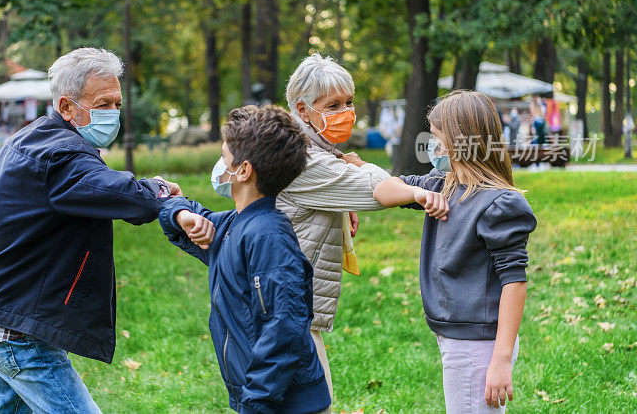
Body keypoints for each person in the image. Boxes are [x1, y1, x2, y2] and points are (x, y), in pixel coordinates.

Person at [0, 47, 181, 413]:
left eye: (117, 103)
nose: (113, 113)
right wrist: (160, 190)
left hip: (2, 305)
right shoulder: (62, 156)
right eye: (103, 103)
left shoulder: (34, 137)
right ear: (67, 107)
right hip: (18, 327)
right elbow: (124, 196)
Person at [158, 105, 332, 414]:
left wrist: (257, 402)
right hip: (261, 399)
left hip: (283, 404)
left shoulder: (269, 237)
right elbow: (181, 222)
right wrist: (179, 211)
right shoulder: (233, 225)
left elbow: (284, 328)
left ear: (243, 170)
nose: (220, 164)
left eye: (223, 157)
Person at [372, 90, 537, 414]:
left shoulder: (499, 203)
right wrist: (417, 193)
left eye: (436, 138)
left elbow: (514, 282)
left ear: (463, 142)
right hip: (455, 334)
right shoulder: (440, 184)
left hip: (478, 342)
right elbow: (381, 189)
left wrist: (501, 359)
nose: (432, 146)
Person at [278, 53, 392, 397]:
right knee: (313, 402)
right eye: (333, 105)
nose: (346, 112)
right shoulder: (304, 159)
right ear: (303, 110)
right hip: (283, 306)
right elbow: (380, 190)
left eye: (349, 102)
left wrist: (345, 168)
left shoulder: (313, 149)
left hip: (290, 303)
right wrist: (356, 169)